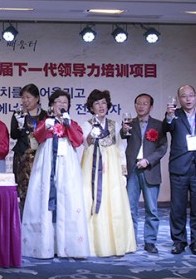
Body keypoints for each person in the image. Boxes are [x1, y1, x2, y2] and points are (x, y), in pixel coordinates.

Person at [20, 90, 90, 259]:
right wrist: (47, 125)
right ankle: (45, 246)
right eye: (58, 101)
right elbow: (38, 137)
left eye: (65, 102)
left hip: (67, 165)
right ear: (52, 105)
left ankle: (69, 246)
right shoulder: (46, 121)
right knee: (44, 198)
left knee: (68, 199)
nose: (61, 105)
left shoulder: (71, 122)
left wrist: (68, 125)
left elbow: (78, 141)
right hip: (46, 163)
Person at [81, 89, 136, 257]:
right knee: (92, 198)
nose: (101, 106)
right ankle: (94, 244)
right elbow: (86, 143)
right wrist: (93, 134)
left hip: (112, 166)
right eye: (97, 103)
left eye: (104, 103)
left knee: (114, 200)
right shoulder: (86, 124)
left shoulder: (114, 125)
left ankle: (115, 243)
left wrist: (123, 170)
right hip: (93, 165)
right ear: (91, 107)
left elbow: (121, 148)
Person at [163, 85, 196, 256]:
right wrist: (169, 116)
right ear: (179, 99)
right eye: (184, 96)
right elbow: (165, 129)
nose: (188, 99)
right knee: (177, 208)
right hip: (179, 166)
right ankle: (179, 242)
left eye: (191, 95)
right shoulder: (174, 115)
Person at [120, 93, 168, 254]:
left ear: (151, 107)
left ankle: (150, 241)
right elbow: (122, 136)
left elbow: (162, 147)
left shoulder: (158, 125)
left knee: (151, 209)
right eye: (138, 103)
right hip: (132, 169)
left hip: (150, 169)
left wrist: (148, 160)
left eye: (144, 103)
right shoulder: (129, 123)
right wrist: (123, 130)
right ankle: (131, 240)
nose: (141, 106)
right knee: (130, 208)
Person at [10, 83, 48, 210]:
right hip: (22, 157)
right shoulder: (18, 114)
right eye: (23, 98)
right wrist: (19, 126)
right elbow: (13, 135)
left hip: (40, 156)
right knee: (23, 190)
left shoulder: (45, 115)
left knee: (40, 188)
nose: (25, 101)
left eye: (28, 97)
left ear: (37, 98)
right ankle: (23, 218)